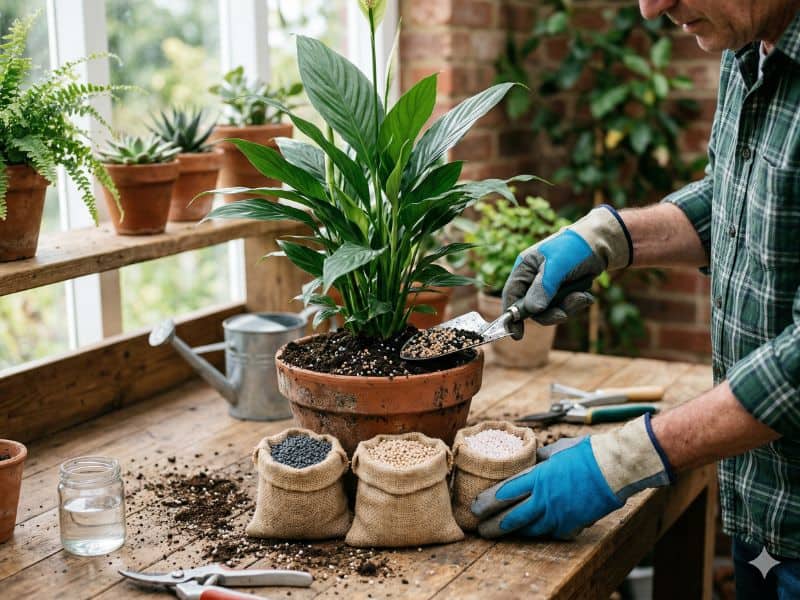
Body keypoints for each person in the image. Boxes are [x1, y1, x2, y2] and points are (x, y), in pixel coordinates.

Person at [471, 1, 800, 597]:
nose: (653, 7)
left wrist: (625, 458)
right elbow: (742, 202)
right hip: (765, 507)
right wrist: (606, 238)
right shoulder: (750, 39)